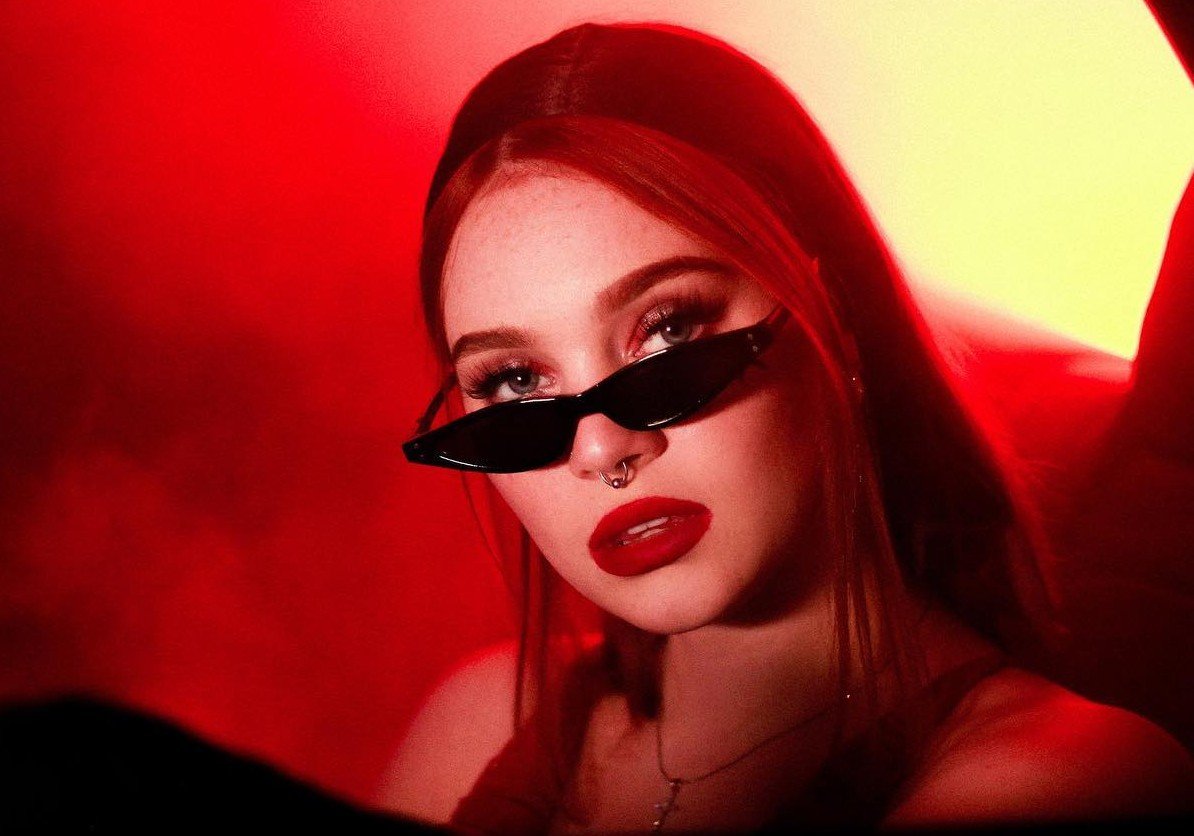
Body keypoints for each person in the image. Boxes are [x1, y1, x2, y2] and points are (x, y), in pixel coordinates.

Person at [383, 22, 1194, 833]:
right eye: (516, 382)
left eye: (668, 332)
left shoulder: (1057, 780)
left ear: (832, 311)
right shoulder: (472, 724)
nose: (599, 449)